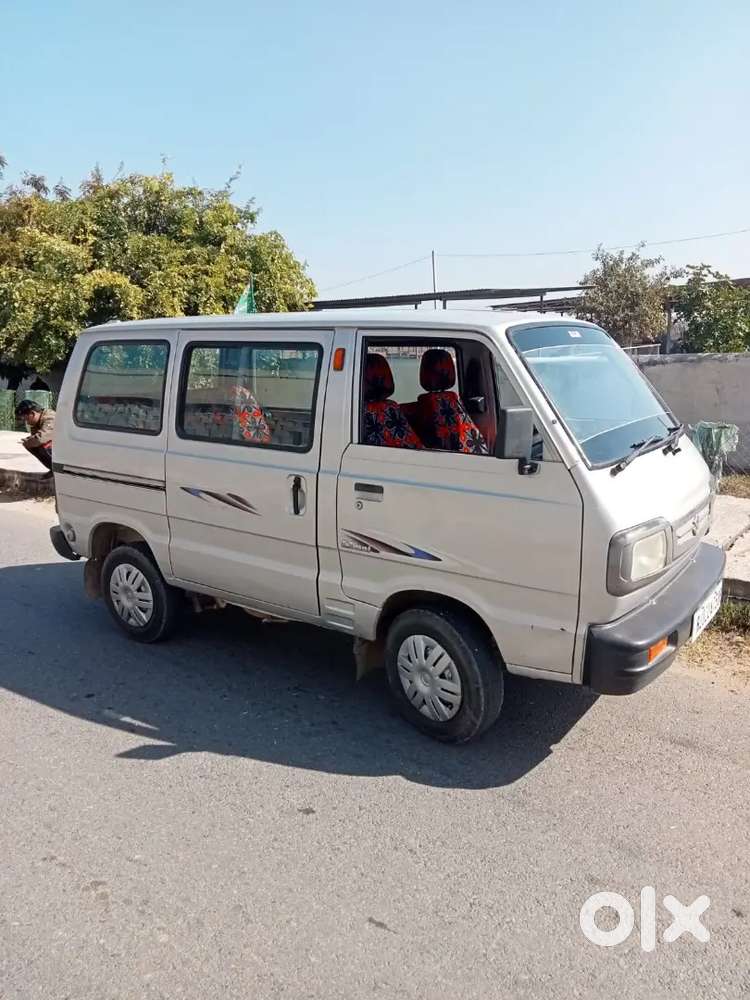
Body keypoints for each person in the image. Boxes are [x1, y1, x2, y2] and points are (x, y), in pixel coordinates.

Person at [16, 399, 55, 479]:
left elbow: (41, 438)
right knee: (31, 444)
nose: (27, 422)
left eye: (27, 419)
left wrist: (30, 441)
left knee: (36, 443)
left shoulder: (50, 417)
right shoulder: (36, 423)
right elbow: (35, 437)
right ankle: (53, 469)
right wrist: (29, 440)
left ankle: (57, 470)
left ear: (32, 414)